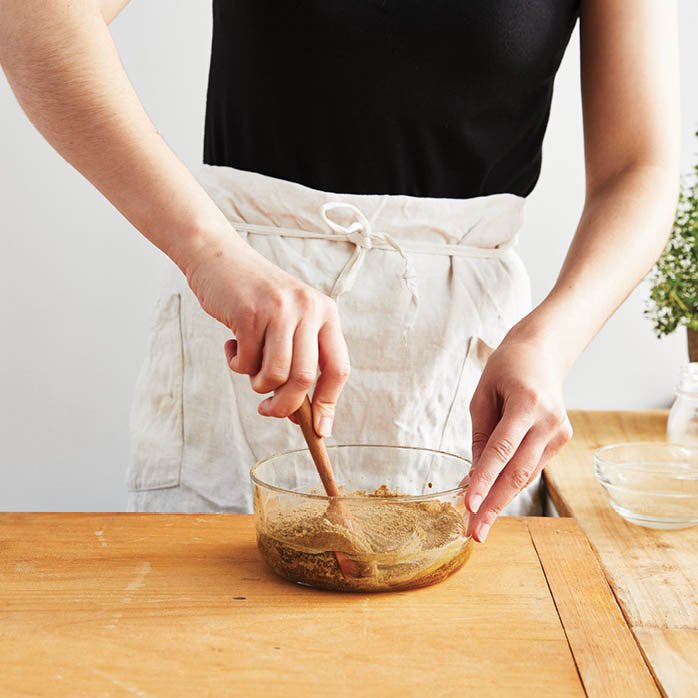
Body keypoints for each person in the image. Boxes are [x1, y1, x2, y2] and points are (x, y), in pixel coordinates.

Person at [0, 1, 679, 543]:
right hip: (245, 329)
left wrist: (548, 344)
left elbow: (638, 169)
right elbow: (32, 13)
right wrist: (212, 254)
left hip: (463, 369)